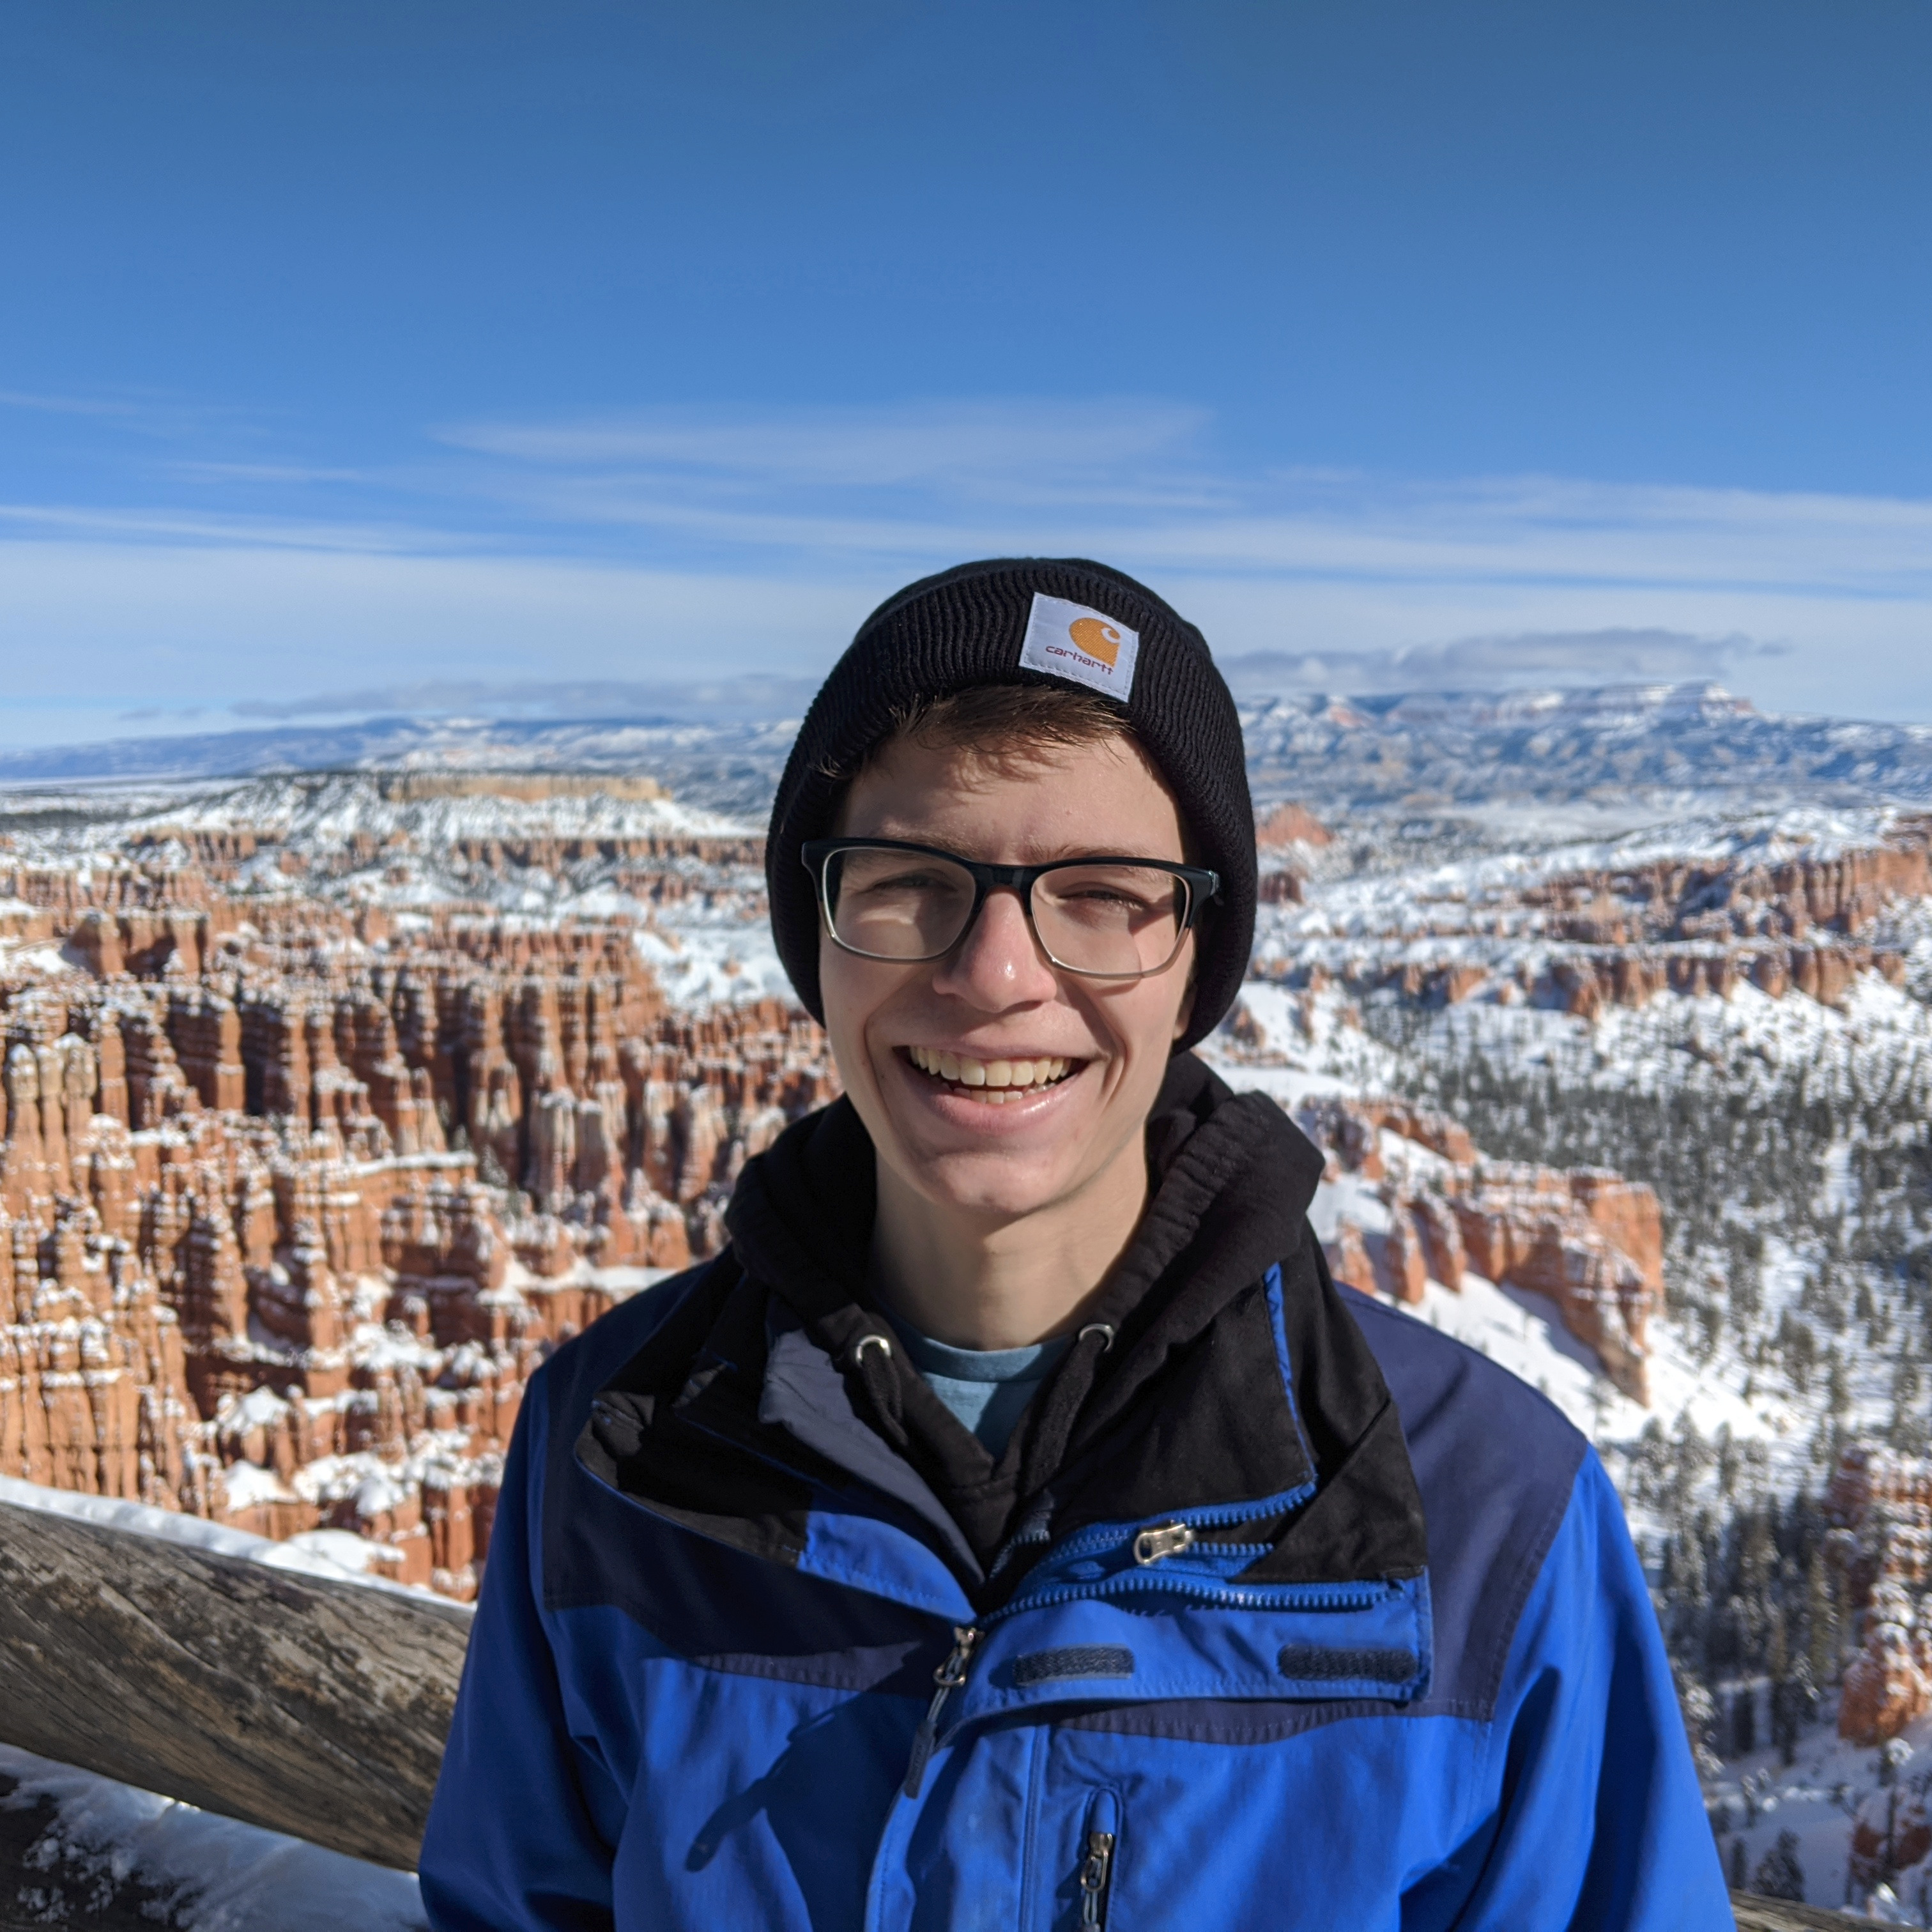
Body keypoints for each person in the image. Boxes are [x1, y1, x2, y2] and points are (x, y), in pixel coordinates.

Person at [420, 558, 1729, 1929]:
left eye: (1104, 893)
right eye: (911, 880)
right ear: (819, 936)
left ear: (1196, 959)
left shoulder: (1486, 1512)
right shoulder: (613, 1449)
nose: (996, 975)